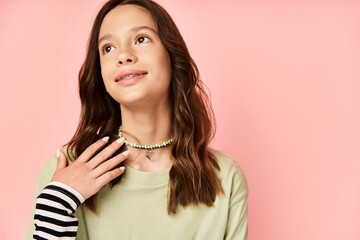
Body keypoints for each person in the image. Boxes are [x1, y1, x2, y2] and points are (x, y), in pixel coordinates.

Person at [25, 0, 249, 239]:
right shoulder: (67, 168)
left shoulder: (224, 177)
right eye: (108, 48)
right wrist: (56, 207)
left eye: (141, 39)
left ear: (172, 55)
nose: (123, 56)